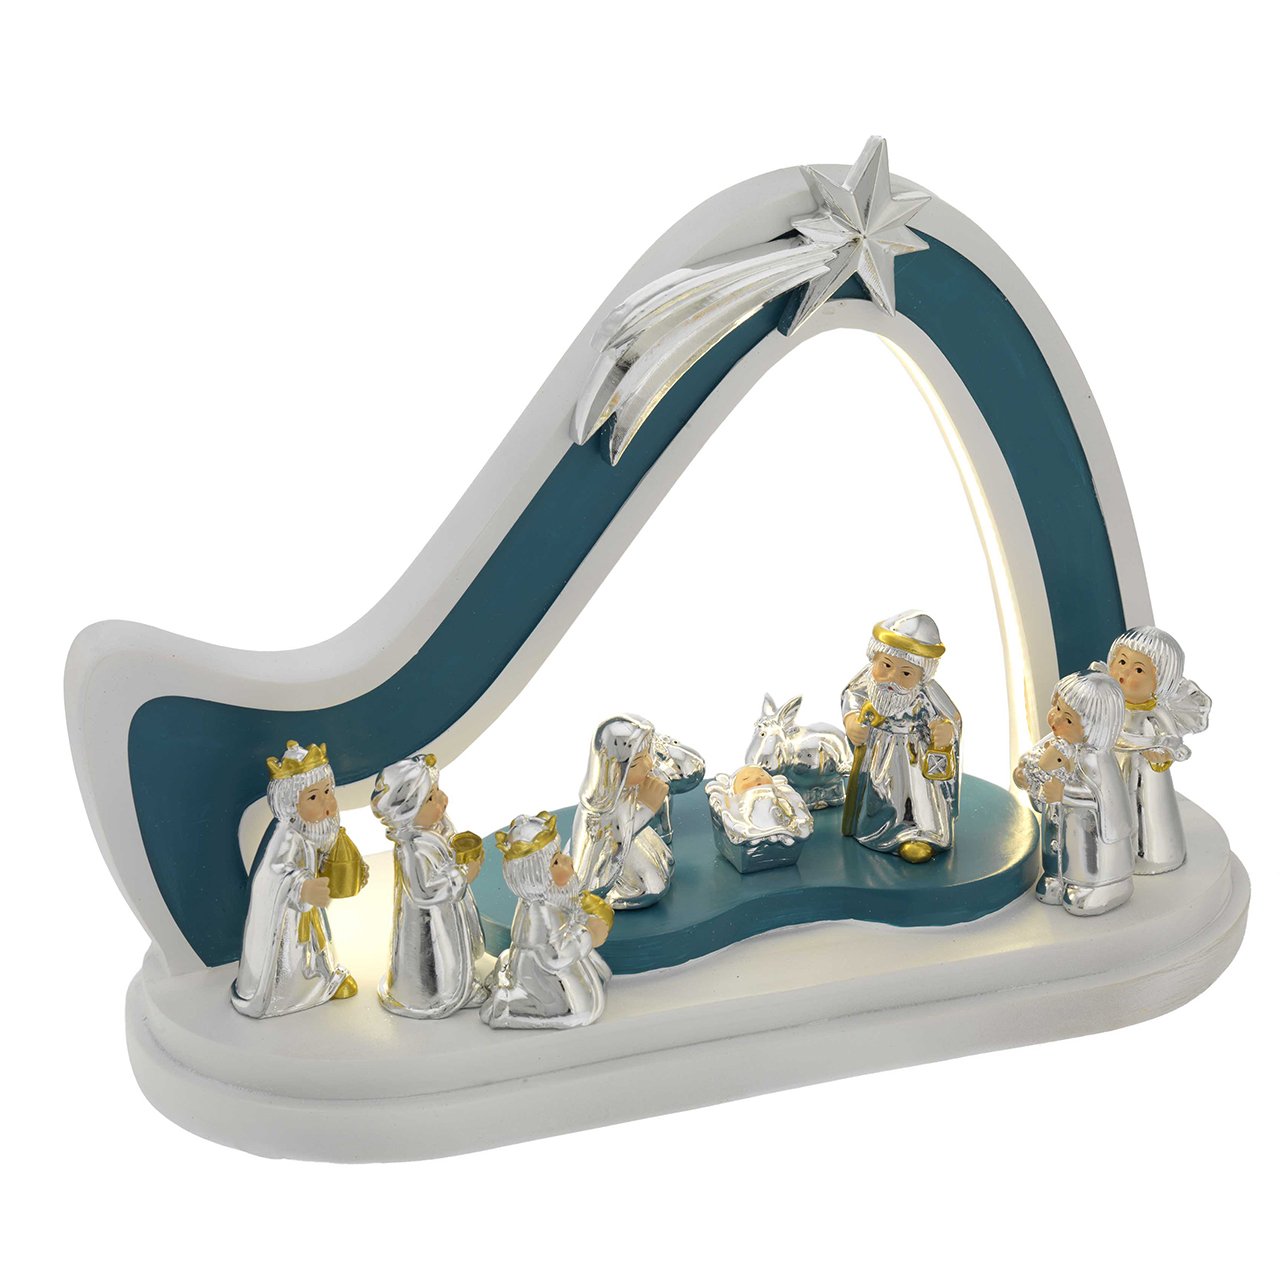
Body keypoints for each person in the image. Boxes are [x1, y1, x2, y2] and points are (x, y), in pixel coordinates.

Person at [232, 740, 365, 1018]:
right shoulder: (286, 835)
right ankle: (288, 996)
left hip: (308, 912)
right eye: (313, 797)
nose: (327, 802)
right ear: (291, 805)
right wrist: (301, 887)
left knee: (314, 948)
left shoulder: (313, 832)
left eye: (328, 791)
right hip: (287, 920)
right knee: (293, 954)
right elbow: (272, 874)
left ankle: (322, 980)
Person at [371, 752, 492, 1019]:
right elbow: (424, 891)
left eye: (438, 791)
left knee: (451, 949)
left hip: (445, 915)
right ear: (409, 811)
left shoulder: (432, 831)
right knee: (438, 954)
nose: (442, 800)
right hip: (427, 921)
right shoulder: (412, 848)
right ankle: (437, 994)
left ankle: (461, 982)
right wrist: (463, 875)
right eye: (430, 798)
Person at [840, 610, 962, 863]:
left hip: (912, 756)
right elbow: (851, 699)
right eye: (885, 666)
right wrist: (851, 721)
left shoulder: (925, 694)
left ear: (920, 676)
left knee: (916, 797)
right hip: (877, 753)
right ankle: (874, 830)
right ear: (875, 658)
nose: (892, 678)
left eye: (906, 673)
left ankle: (919, 834)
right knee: (879, 793)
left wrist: (945, 730)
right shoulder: (865, 683)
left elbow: (947, 718)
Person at [1015, 671, 1136, 916]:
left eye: (1068, 719)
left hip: (1090, 839)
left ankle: (1102, 885)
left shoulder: (1097, 759)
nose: (1055, 718)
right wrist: (1026, 778)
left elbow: (1101, 797)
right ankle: (1056, 876)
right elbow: (1038, 767)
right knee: (1057, 858)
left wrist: (1063, 794)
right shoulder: (1056, 741)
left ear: (1094, 727)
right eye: (1057, 707)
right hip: (1060, 831)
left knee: (1082, 866)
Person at [480, 812, 613, 1030]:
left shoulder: (550, 898)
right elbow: (554, 956)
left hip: (556, 957)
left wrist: (582, 917)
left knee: (597, 977)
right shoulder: (540, 910)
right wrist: (587, 934)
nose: (567, 860)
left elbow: (566, 919)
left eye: (560, 855)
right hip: (540, 973)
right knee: (580, 1009)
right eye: (556, 861)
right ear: (537, 876)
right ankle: (505, 1005)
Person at [1096, 626, 1210, 874]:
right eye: (1121, 661)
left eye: (1138, 669)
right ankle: (1108, 856)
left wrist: (1162, 755)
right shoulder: (1110, 704)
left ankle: (1152, 855)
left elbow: (1172, 741)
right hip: (1112, 770)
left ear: (1160, 682)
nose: (1125, 672)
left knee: (1147, 811)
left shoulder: (1156, 713)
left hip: (1145, 776)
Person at [571, 715, 703, 908]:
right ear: (614, 769)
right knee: (653, 887)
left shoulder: (630, 786)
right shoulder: (601, 806)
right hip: (611, 859)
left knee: (666, 862)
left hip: (632, 840)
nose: (648, 764)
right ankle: (617, 894)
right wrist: (648, 807)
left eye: (647, 754)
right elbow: (616, 840)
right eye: (635, 763)